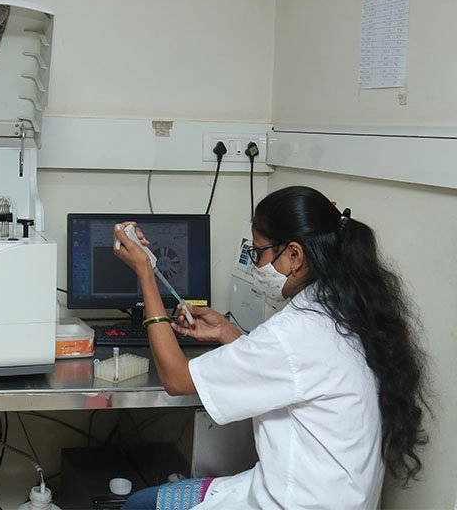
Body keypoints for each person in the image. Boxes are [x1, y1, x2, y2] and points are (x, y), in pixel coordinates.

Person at [113, 185, 429, 510]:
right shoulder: (346, 310)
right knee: (144, 502)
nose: (256, 265)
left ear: (294, 255)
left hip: (299, 502)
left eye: (259, 253)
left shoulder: (295, 332)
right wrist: (227, 332)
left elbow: (176, 379)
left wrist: (146, 275)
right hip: (327, 493)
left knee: (139, 505)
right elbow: (294, 370)